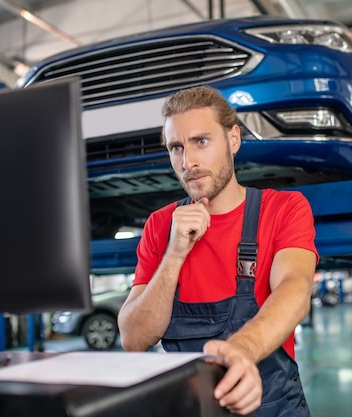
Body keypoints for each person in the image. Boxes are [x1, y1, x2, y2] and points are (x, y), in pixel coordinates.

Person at [117, 85, 318, 417]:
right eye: (176, 147)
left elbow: (295, 289)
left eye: (201, 142)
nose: (189, 161)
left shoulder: (283, 208)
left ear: (233, 139)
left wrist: (240, 351)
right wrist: (175, 253)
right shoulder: (159, 225)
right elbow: (134, 338)